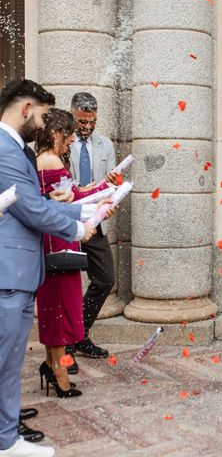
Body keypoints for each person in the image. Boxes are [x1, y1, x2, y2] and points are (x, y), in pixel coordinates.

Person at [0, 79, 99, 457]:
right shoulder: (6, 150)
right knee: (5, 359)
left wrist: (81, 208)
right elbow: (28, 207)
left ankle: (6, 428)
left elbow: (36, 201)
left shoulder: (15, 147)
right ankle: (6, 440)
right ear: (26, 108)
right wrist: (76, 225)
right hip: (10, 269)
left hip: (21, 270)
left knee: (9, 361)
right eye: (42, 115)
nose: (44, 124)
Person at [35, 108, 112, 398]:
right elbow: (69, 201)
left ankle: (51, 366)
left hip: (53, 237)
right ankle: (61, 377)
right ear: (56, 133)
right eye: (67, 134)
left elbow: (71, 194)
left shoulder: (44, 160)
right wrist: (104, 196)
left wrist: (101, 190)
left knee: (54, 308)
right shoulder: (51, 160)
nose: (70, 140)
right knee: (60, 309)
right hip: (58, 240)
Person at [66, 92, 118, 372]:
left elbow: (109, 184)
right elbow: (64, 184)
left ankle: (80, 334)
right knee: (69, 287)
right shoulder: (63, 141)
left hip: (96, 223)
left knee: (105, 278)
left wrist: (112, 185)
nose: (87, 127)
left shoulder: (105, 145)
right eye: (82, 122)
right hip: (69, 222)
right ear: (73, 115)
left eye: (92, 122)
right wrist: (84, 190)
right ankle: (67, 346)